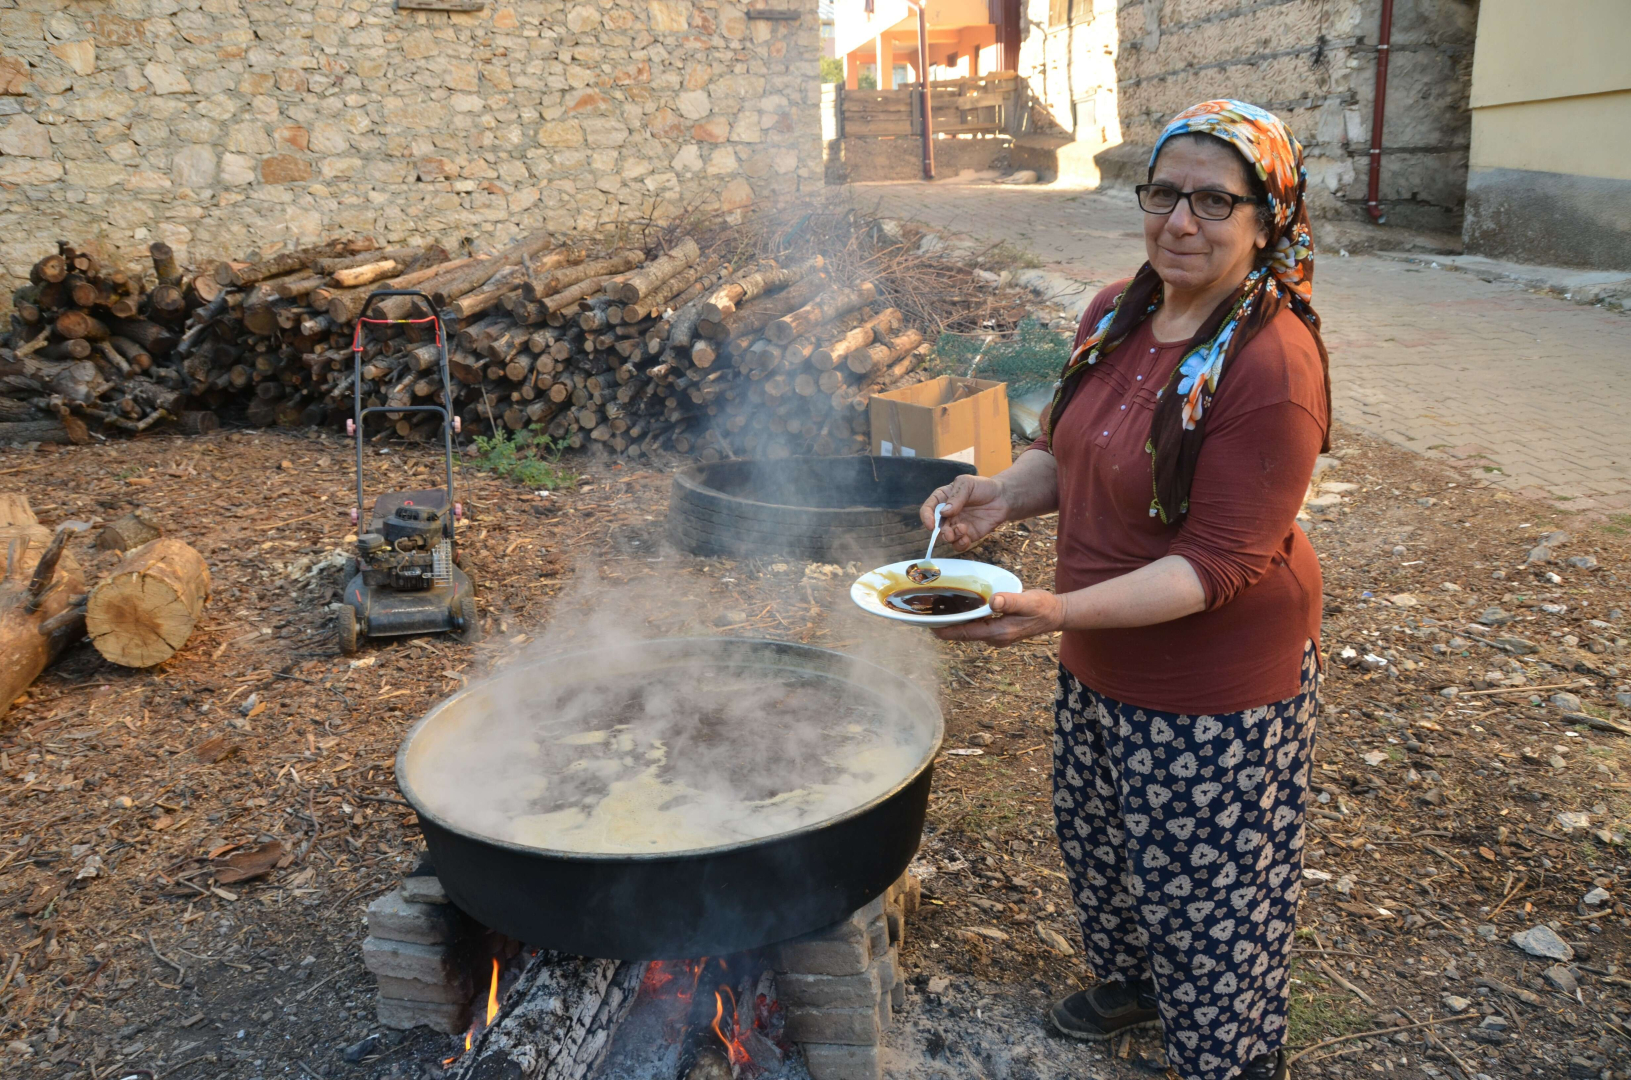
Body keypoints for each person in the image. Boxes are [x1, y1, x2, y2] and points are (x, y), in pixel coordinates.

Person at [919, 100, 1330, 1080]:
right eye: (1161, 193)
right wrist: (994, 500)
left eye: (1211, 201)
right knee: (1106, 859)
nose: (1178, 222)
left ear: (1265, 217)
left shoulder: (1271, 364)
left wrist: (1048, 610)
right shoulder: (1115, 310)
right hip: (1096, 655)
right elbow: (1068, 451)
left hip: (1214, 691)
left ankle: (1220, 1058)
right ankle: (1135, 987)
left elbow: (1216, 567)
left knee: (1212, 907)